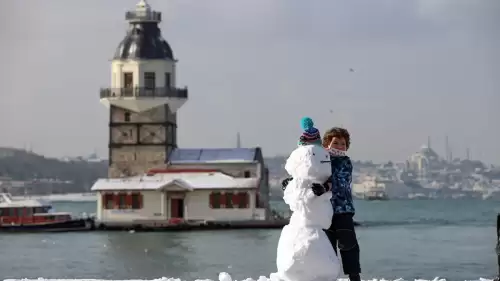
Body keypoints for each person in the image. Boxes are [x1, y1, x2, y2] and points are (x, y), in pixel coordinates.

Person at [322, 127, 361, 281]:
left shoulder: (345, 162)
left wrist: (325, 186)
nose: (339, 146)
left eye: (342, 144)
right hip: (324, 211)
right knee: (327, 248)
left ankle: (354, 277)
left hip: (342, 210)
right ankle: (329, 277)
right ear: (327, 144)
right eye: (335, 143)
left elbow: (340, 182)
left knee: (348, 245)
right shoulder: (319, 160)